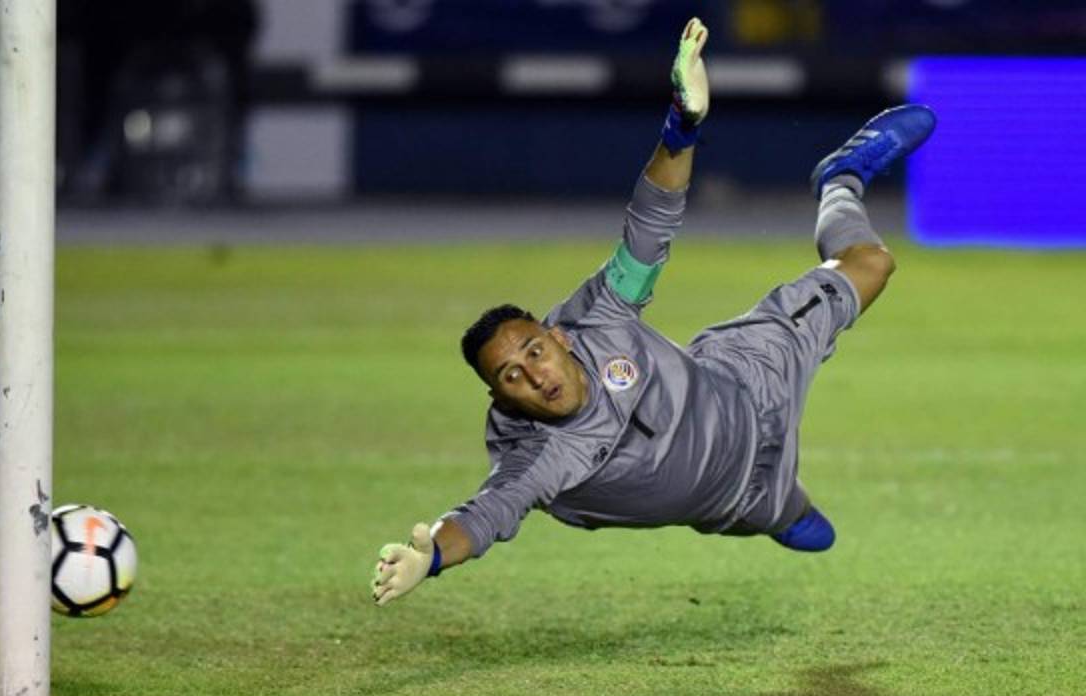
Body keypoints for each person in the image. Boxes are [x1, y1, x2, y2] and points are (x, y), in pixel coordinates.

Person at [371, 17, 936, 607]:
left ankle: (840, 178)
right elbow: (486, 514)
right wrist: (430, 556)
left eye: (533, 351)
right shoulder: (537, 457)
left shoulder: (600, 317)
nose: (534, 374)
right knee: (802, 525)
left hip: (747, 377)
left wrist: (682, 126)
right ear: (502, 398)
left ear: (558, 338)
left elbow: (651, 221)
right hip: (733, 499)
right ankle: (784, 507)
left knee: (871, 264)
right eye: (511, 375)